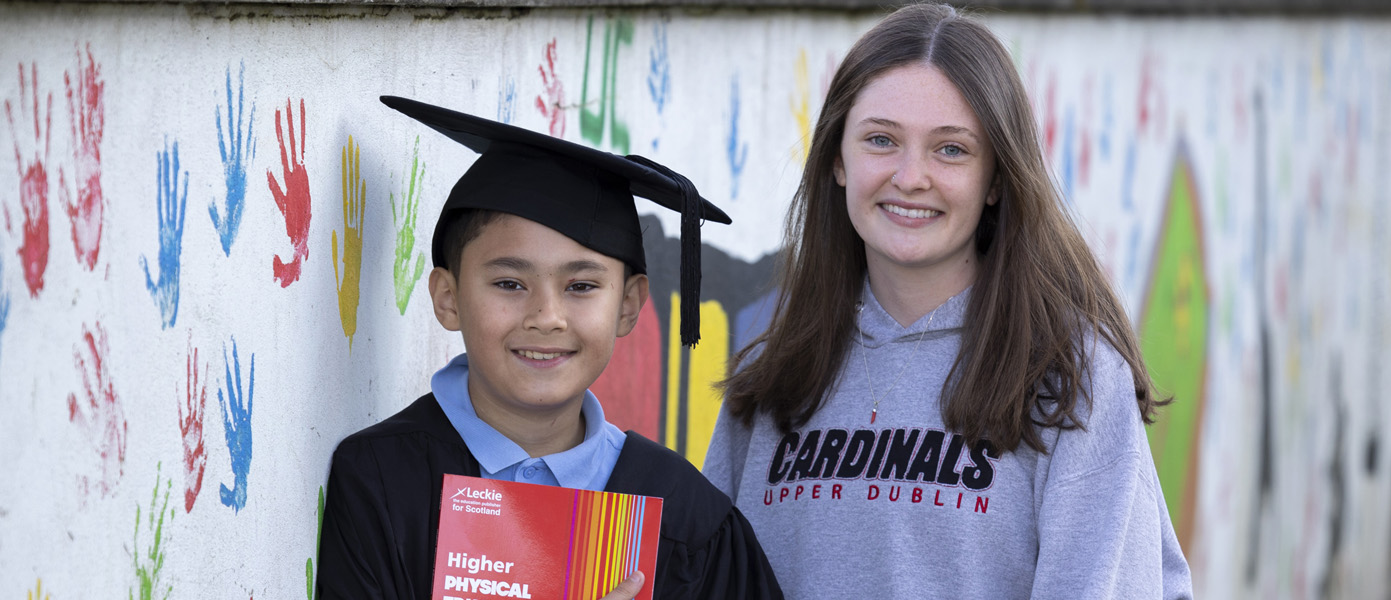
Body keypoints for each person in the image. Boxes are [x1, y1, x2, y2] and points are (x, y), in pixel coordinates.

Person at [702, 4, 1192, 598]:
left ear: (996, 179)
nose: (911, 177)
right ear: (837, 159)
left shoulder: (1071, 380)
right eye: (881, 140)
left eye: (951, 150)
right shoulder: (773, 379)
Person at [316, 96, 784, 600]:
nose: (546, 317)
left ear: (628, 306)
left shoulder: (684, 514)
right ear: (448, 299)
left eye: (581, 286)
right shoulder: (383, 481)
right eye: (510, 284)